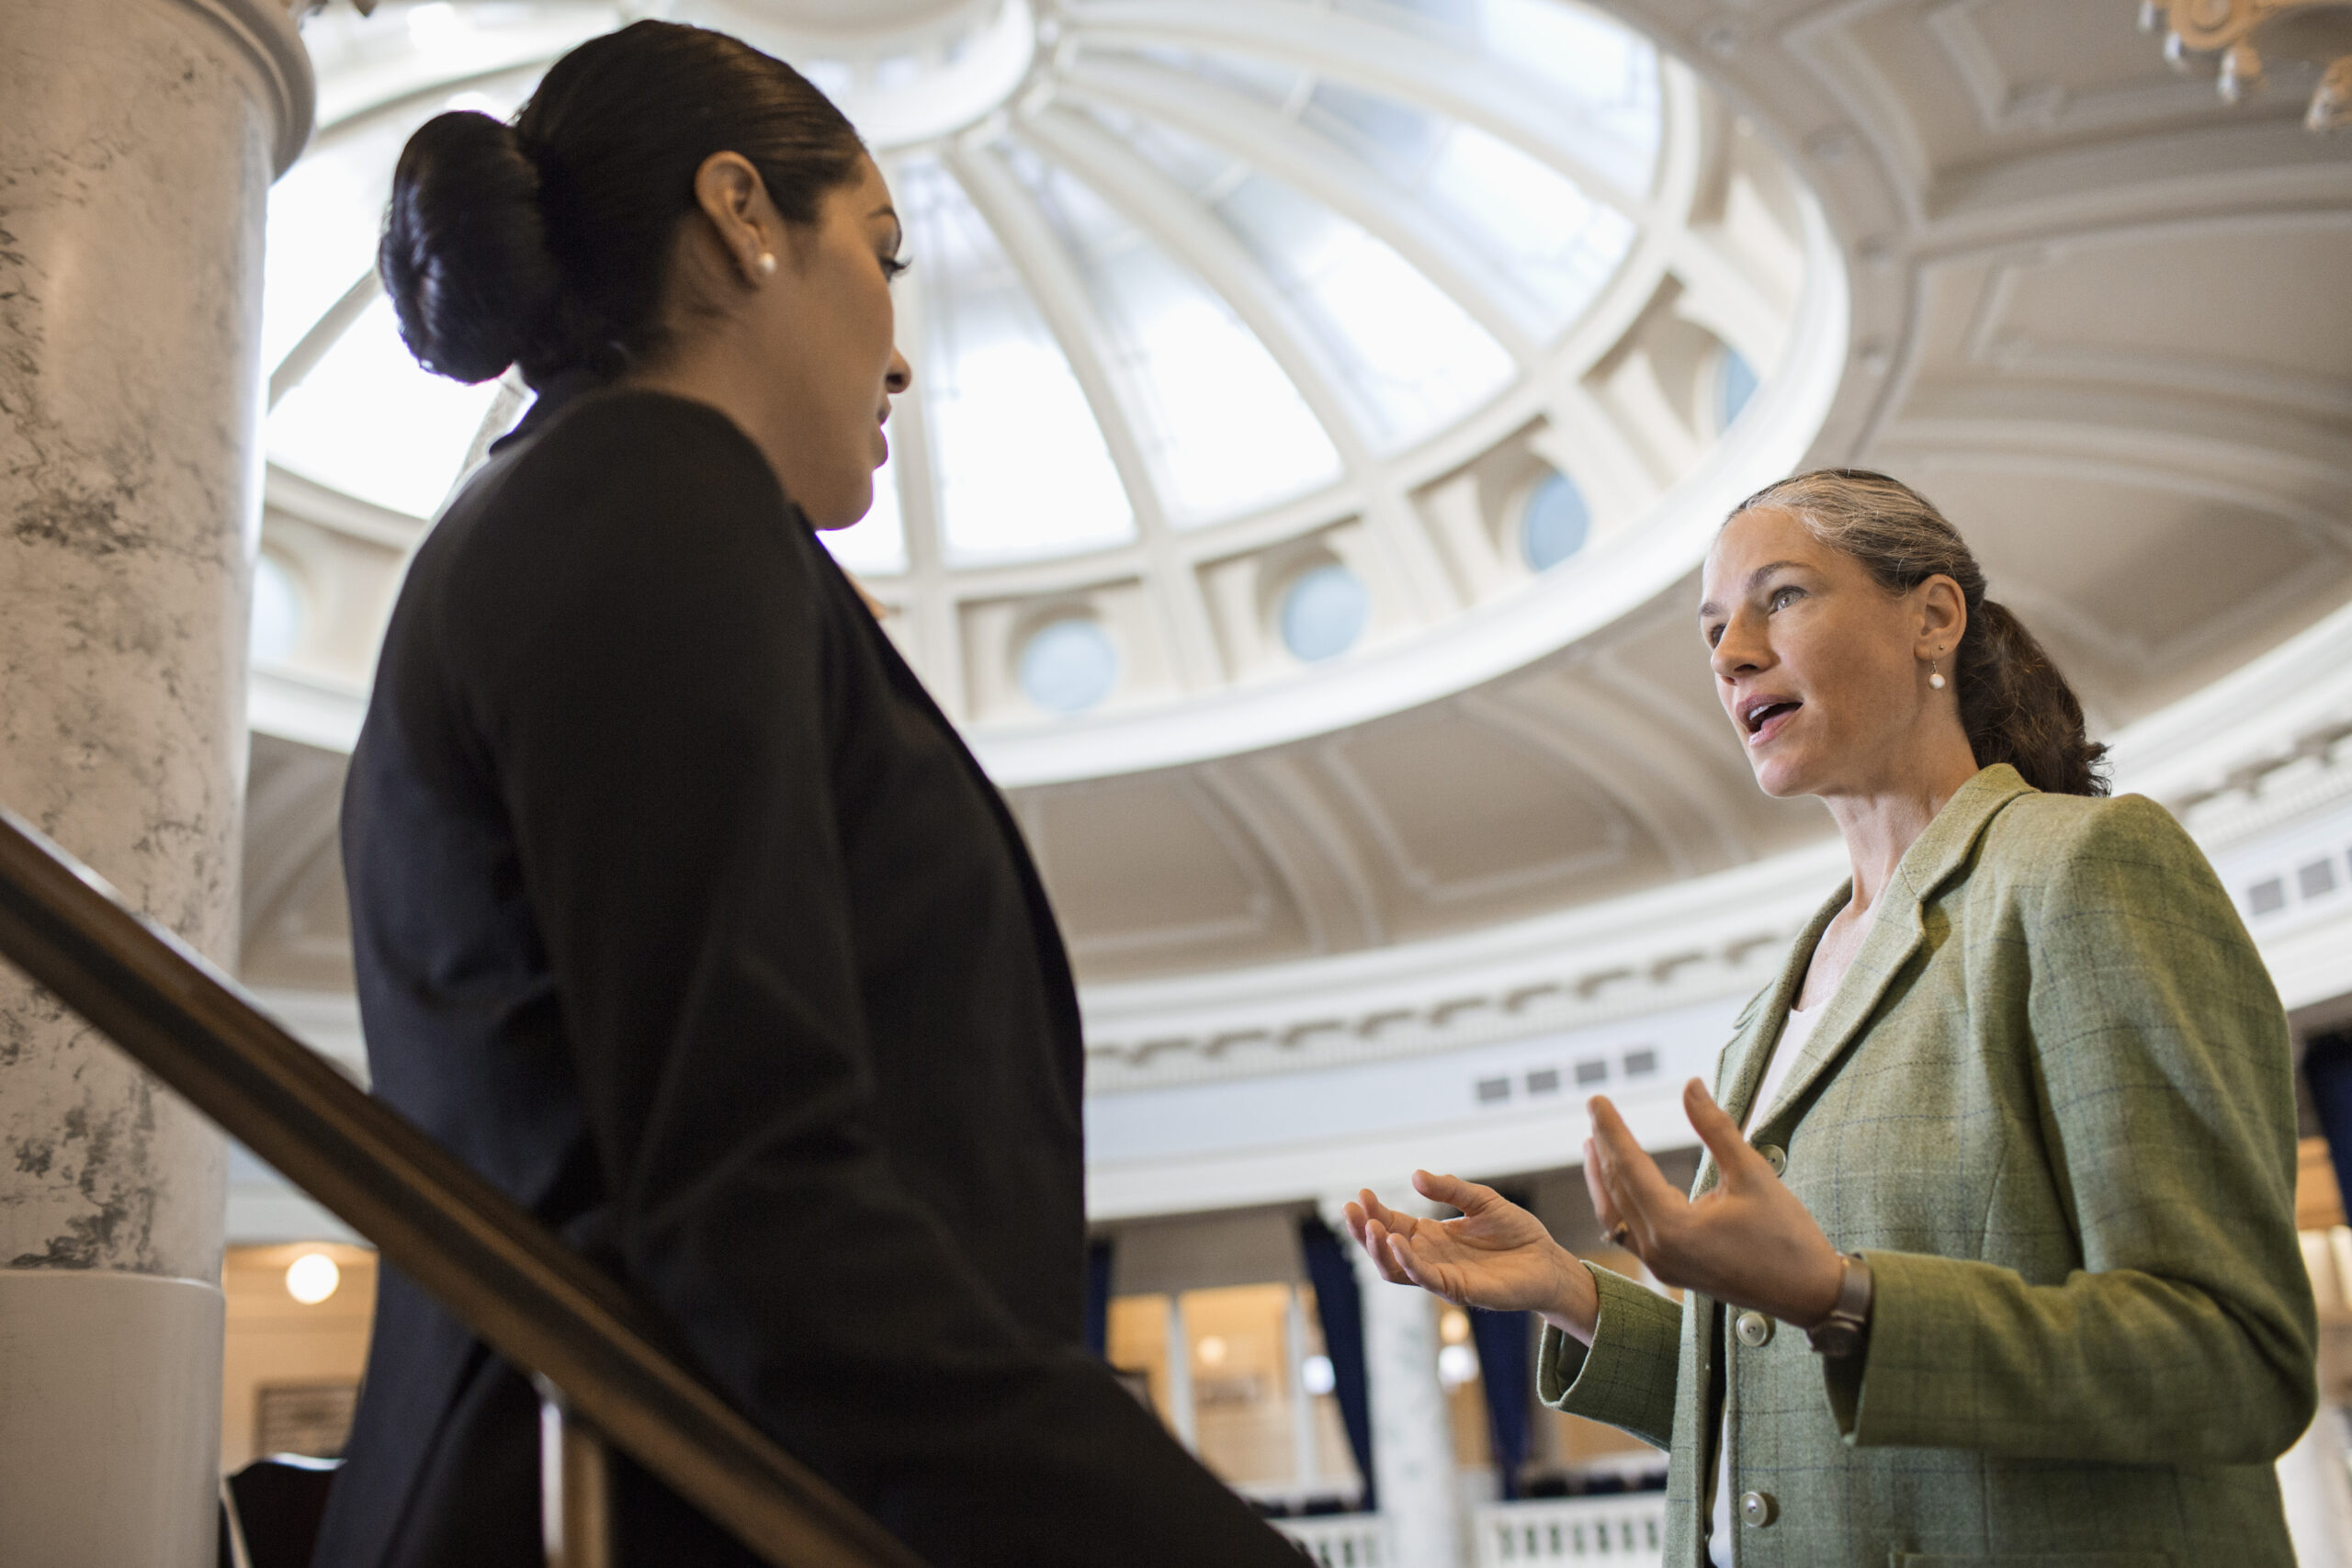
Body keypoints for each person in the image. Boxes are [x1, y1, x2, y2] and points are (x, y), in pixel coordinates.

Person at [311, 21, 1302, 1568]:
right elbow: (751, 1190)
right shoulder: (645, 487)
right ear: (742, 216)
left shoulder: (578, 502)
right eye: (886, 254)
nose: (901, 346)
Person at [1345, 469, 2317, 1566]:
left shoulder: (2079, 870)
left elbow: (2233, 1357)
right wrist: (1572, 1292)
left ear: (1932, 616)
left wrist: (1841, 1296)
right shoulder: (1779, 1002)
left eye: (1782, 598)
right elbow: (1789, 1418)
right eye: (1714, 631)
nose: (1730, 655)